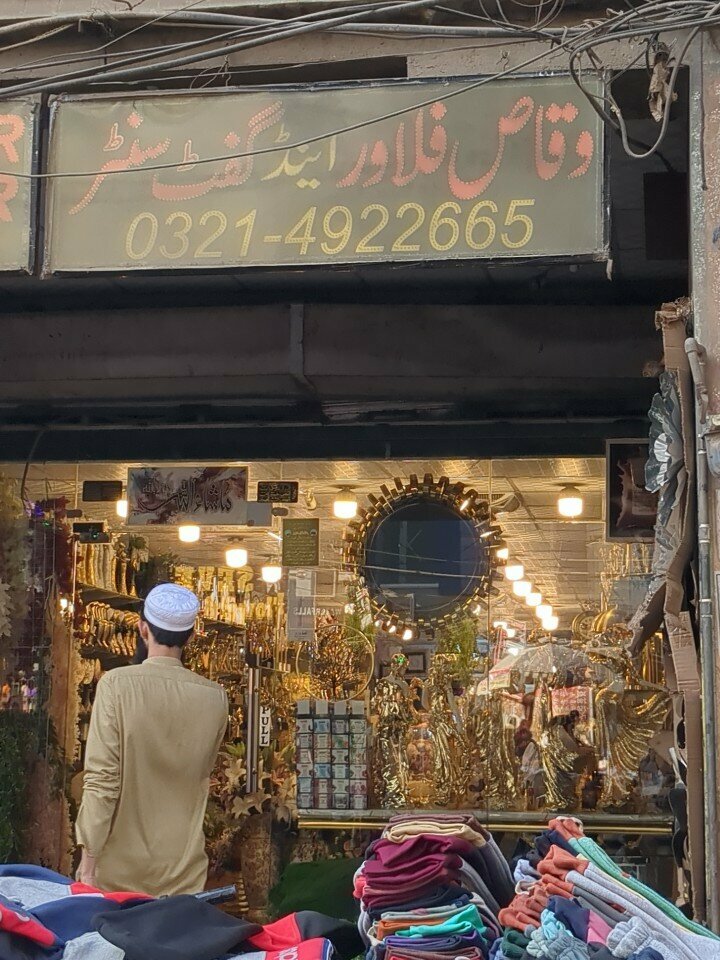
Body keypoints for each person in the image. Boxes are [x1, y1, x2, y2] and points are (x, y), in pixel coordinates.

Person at [75, 583, 228, 897]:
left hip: (120, 872)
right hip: (185, 870)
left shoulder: (116, 685)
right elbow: (202, 774)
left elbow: (103, 780)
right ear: (191, 636)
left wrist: (87, 864)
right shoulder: (215, 697)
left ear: (143, 629)